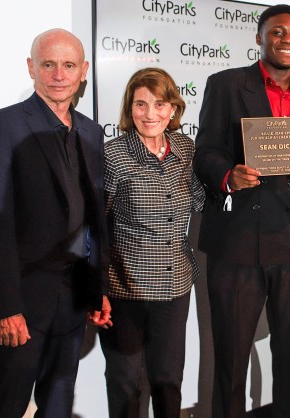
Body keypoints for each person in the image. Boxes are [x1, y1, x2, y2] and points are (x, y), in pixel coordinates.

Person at [194, 4, 290, 417]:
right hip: (237, 245)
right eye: (277, 32)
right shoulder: (224, 85)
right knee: (230, 363)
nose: (287, 40)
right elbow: (204, 151)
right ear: (259, 38)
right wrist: (228, 175)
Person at [0, 28, 111, 418]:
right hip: (22, 301)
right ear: (32, 68)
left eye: (68, 65)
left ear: (83, 71)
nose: (59, 75)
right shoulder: (1, 126)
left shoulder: (92, 132)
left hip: (73, 300)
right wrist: (5, 307)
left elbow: (92, 218)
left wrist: (95, 288)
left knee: (59, 404)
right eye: (49, 64)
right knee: (6, 405)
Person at [99, 67, 205, 417]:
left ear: (173, 109)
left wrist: (246, 177)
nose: (150, 114)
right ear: (130, 109)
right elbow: (96, 224)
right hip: (125, 289)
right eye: (140, 104)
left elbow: (203, 201)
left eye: (159, 104)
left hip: (176, 286)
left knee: (168, 379)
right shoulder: (113, 155)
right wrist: (94, 287)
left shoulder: (186, 150)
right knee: (125, 381)